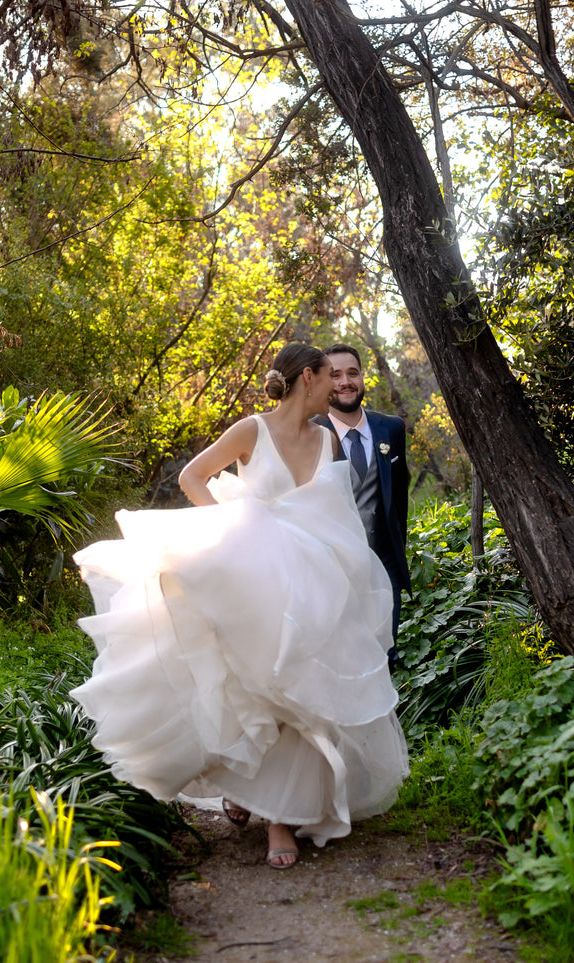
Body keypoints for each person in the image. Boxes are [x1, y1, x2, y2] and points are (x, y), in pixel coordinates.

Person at [69, 343, 408, 870]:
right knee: (253, 688)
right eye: (328, 376)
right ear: (308, 378)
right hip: (256, 579)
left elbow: (336, 511)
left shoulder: (326, 439)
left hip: (313, 582)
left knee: (301, 690)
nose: (334, 386)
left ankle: (277, 811)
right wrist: (234, 528)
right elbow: (191, 477)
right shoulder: (252, 430)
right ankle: (261, 801)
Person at [314, 344, 412, 641]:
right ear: (321, 382)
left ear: (362, 377)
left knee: (387, 653)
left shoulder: (392, 428)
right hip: (331, 573)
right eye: (335, 375)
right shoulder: (310, 434)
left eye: (353, 373)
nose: (345, 382)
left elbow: (399, 498)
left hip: (384, 566)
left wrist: (397, 555)